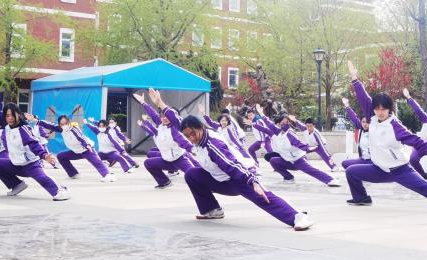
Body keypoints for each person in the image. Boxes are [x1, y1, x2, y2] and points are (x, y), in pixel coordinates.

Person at [343, 61, 427, 214]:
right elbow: (364, 98)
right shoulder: (372, 118)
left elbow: (415, 140)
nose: (380, 112)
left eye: (384, 109)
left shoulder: (395, 125)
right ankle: (361, 198)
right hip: (379, 168)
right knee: (351, 171)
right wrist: (354, 78)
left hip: (399, 169)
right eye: (377, 109)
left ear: (389, 109)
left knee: (423, 187)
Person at [168, 107, 314, 231]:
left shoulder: (212, 145)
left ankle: (298, 217)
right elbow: (177, 121)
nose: (191, 138)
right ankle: (212, 210)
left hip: (241, 175)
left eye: (193, 134)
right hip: (222, 179)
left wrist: (252, 181)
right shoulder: (197, 137)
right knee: (192, 174)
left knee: (263, 197)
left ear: (201, 127)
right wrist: (160, 104)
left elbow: (231, 165)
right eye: (187, 136)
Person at [0, 84, 66, 200]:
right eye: (7, 116)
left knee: (42, 179)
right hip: (15, 164)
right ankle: (16, 185)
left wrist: (45, 155)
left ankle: (60, 190)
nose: (10, 118)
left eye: (13, 115)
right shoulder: (7, 124)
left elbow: (34, 143)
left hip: (30, 165)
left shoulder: (23, 129)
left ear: (18, 115)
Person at [252, 106, 339, 186]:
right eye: (283, 122)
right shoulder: (278, 132)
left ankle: (330, 179)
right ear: (279, 124)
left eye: (287, 122)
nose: (285, 124)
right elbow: (268, 124)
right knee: (273, 160)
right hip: (288, 161)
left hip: (298, 160)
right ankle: (288, 177)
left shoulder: (290, 134)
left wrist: (308, 148)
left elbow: (298, 143)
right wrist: (261, 114)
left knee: (311, 170)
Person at [136, 89, 197, 188]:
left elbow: (183, 142)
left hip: (180, 159)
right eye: (162, 116)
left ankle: (207, 185)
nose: (164, 118)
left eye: (167, 116)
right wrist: (143, 102)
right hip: (167, 161)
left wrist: (193, 150)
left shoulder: (175, 128)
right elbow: (152, 113)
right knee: (148, 163)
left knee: (194, 175)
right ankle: (164, 182)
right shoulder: (160, 125)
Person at [29, 114, 115, 183]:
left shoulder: (74, 129)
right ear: (59, 124)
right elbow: (49, 125)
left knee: (97, 162)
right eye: (62, 124)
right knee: (61, 156)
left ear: (69, 122)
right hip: (76, 152)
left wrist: (87, 145)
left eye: (66, 123)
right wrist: (36, 120)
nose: (64, 125)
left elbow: (81, 137)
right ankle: (74, 174)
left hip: (87, 149)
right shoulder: (61, 129)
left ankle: (108, 175)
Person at [340, 96, 371, 168]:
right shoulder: (361, 128)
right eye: (363, 122)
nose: (365, 124)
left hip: (372, 161)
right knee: (345, 163)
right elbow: (353, 117)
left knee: (352, 170)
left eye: (367, 122)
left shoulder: (374, 130)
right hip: (362, 160)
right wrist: (347, 105)